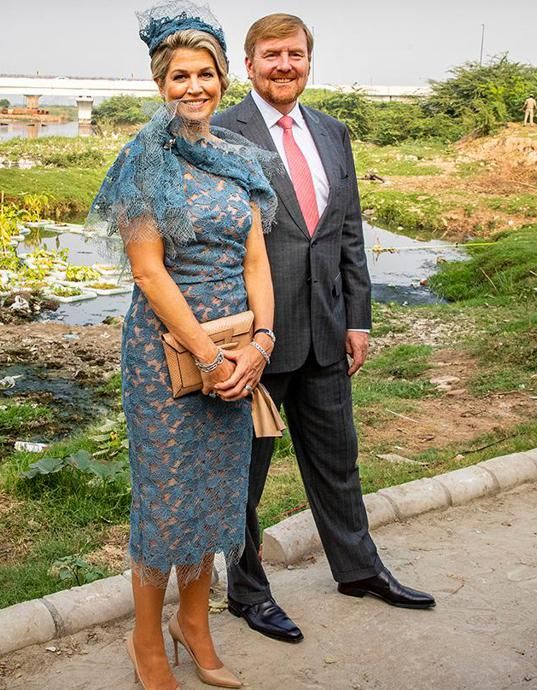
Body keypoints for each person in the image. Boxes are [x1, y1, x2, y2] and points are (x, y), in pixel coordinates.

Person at [213, 13, 436, 645]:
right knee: (244, 474)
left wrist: (358, 319)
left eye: (296, 54)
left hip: (328, 331)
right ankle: (248, 593)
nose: (284, 65)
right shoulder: (222, 134)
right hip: (256, 337)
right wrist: (229, 338)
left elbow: (347, 236)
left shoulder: (334, 133)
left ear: (309, 61)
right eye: (271, 55)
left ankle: (360, 571)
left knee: (339, 463)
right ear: (249, 65)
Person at [87, 3, 280, 688]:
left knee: (218, 494)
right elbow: (147, 271)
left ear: (224, 80)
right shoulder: (144, 161)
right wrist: (210, 355)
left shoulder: (237, 160)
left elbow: (258, 260)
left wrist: (261, 342)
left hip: (238, 353)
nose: (193, 86)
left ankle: (192, 624)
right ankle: (147, 640)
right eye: (178, 76)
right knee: (166, 496)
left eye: (204, 74)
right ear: (159, 84)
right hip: (168, 356)